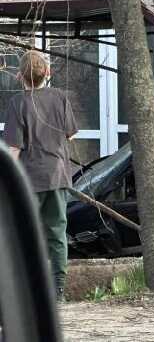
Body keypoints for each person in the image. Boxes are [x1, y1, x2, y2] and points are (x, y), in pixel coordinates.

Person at [3, 50, 78, 302]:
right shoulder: (60, 97)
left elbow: (13, 148)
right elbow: (71, 134)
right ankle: (57, 291)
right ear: (48, 73)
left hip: (28, 181)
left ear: (18, 76)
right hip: (57, 176)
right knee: (57, 233)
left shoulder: (17, 103)